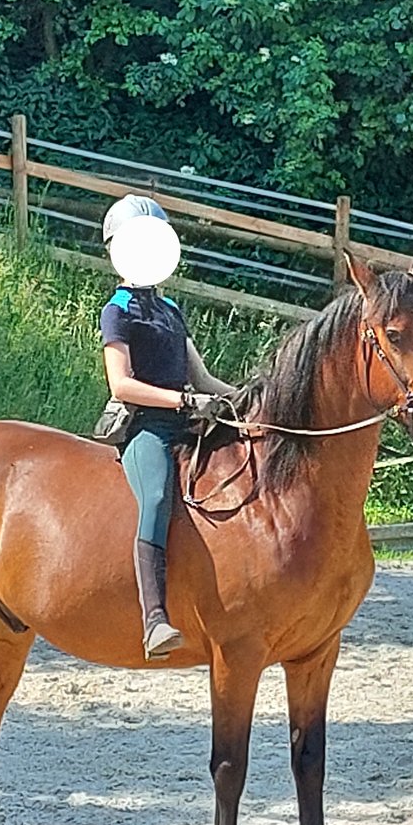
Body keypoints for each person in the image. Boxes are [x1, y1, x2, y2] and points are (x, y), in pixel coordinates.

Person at [99, 195, 236, 660]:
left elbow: (203, 377)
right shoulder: (117, 311)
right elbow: (121, 384)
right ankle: (154, 619)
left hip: (188, 423)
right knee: (157, 497)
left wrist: (248, 397)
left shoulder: (171, 309)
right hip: (148, 428)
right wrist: (183, 400)